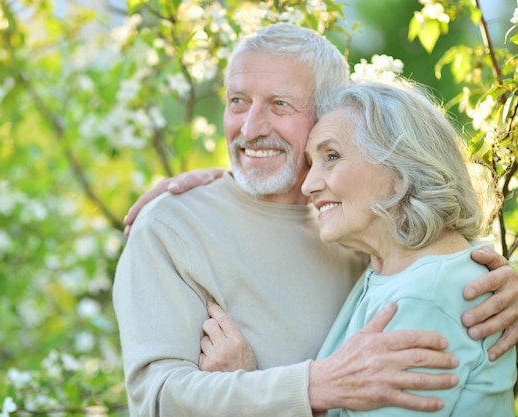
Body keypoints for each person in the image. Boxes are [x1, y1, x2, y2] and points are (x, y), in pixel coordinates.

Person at [113, 23, 518, 417]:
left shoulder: (356, 228)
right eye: (237, 101)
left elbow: (435, 270)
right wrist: (308, 387)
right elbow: (156, 402)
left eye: (280, 104)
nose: (250, 128)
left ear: (326, 114)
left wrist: (502, 280)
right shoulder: (171, 225)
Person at [199, 79, 517, 415]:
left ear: (399, 164)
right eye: (311, 162)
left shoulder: (423, 297)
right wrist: (211, 187)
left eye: (331, 156)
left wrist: (247, 393)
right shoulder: (394, 271)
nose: (308, 185)